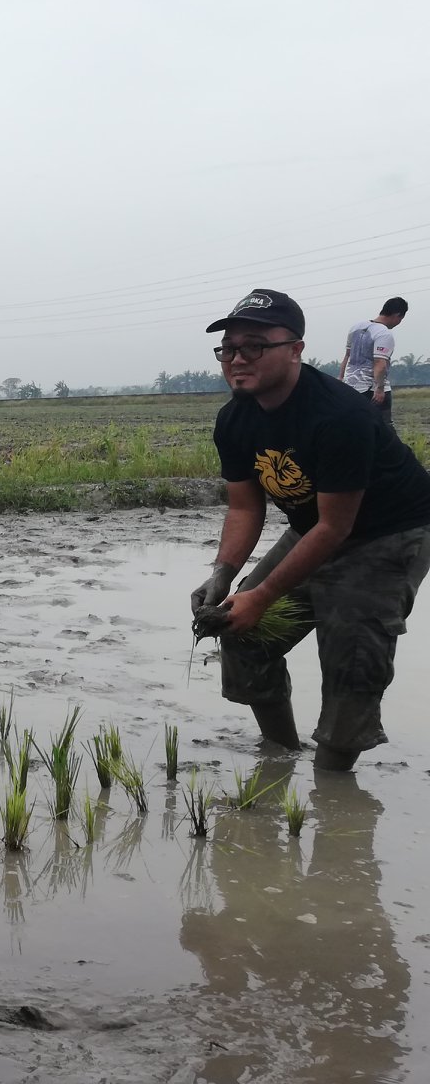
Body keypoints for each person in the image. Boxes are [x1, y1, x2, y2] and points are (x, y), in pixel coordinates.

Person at [191, 288, 430, 771]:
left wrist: (261, 596)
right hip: (314, 526)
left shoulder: (339, 415)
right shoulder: (234, 417)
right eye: (229, 348)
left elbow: (336, 528)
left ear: (296, 349)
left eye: (255, 346)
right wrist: (224, 573)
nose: (238, 359)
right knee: (239, 627)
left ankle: (333, 785)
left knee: (352, 660)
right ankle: (281, 753)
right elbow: (244, 508)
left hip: (388, 534)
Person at [339, 297, 407, 423]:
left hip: (351, 386)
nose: (399, 322)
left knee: (357, 425)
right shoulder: (384, 333)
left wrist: (341, 377)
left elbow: (347, 356)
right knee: (384, 428)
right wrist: (379, 389)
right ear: (397, 315)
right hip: (371, 389)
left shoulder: (355, 328)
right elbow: (380, 363)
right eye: (400, 319)